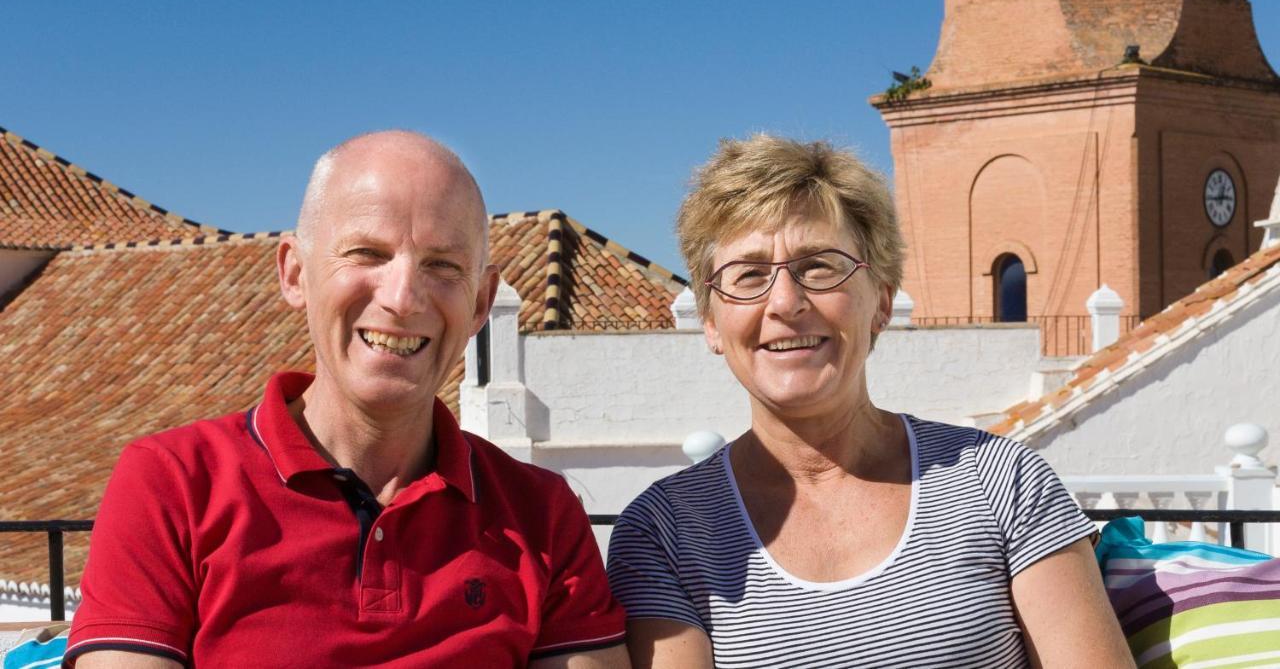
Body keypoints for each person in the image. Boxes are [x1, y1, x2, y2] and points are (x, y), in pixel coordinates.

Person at [66, 131, 629, 668]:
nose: (403, 297)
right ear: (294, 273)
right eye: (366, 253)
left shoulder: (541, 513)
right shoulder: (175, 483)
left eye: (442, 265)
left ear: (482, 302)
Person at [606, 134, 1133, 668]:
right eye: (749, 276)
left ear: (880, 303)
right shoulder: (663, 534)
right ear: (713, 322)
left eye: (819, 266)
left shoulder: (1000, 483)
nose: (785, 302)